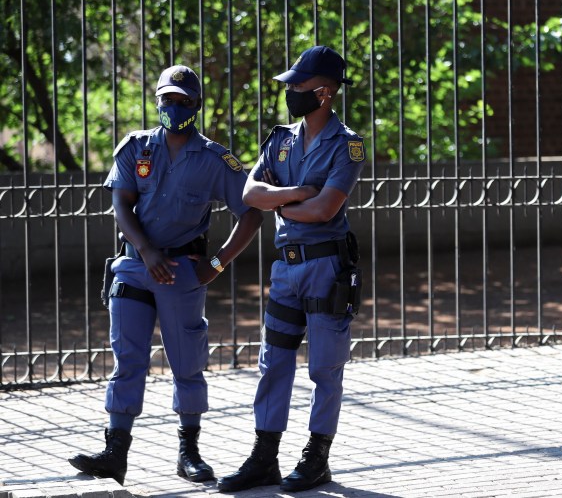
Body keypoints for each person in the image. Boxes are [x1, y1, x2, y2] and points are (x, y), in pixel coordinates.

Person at [68, 64, 263, 485]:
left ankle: (188, 451)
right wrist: (145, 249)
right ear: (157, 101)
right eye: (167, 100)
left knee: (186, 362)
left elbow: (251, 213)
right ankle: (115, 451)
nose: (173, 108)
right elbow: (121, 203)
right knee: (128, 359)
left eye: (182, 101)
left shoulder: (215, 159)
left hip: (182, 273)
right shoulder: (136, 148)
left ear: (196, 105)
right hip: (135, 268)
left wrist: (217, 263)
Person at [218, 46, 365, 493]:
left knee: (325, 368)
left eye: (297, 86)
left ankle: (316, 457)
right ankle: (264, 457)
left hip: (325, 268)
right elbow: (250, 193)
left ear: (323, 92)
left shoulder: (348, 145)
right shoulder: (280, 139)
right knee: (274, 363)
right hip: (286, 268)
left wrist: (283, 199)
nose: (289, 92)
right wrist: (300, 192)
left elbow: (325, 211)